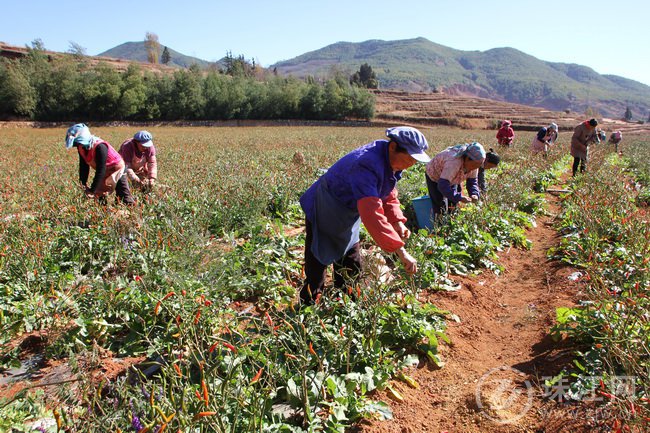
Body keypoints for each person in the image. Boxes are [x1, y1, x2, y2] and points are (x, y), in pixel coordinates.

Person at [299, 126, 430, 305]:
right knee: (318, 258)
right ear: (393, 147)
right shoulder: (367, 164)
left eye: (415, 160)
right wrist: (401, 251)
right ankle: (308, 306)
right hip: (325, 205)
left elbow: (388, 192)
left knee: (351, 260)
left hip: (348, 212)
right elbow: (372, 214)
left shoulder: (389, 162)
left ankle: (346, 303)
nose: (412, 164)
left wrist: (398, 221)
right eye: (410, 158)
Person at [65, 123, 134, 205]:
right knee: (99, 196)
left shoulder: (100, 147)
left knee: (124, 196)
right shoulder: (81, 147)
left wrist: (92, 190)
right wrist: (83, 184)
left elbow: (101, 170)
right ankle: (104, 212)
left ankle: (128, 209)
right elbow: (84, 166)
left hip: (117, 168)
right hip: (104, 171)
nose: (78, 145)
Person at [425, 142, 486, 219]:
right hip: (434, 176)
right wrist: (459, 197)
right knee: (440, 203)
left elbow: (472, 181)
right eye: (474, 165)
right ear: (467, 159)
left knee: (453, 202)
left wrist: (474, 193)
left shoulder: (475, 163)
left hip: (452, 178)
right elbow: (442, 185)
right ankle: (440, 225)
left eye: (478, 166)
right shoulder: (454, 162)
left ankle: (451, 220)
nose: (475, 168)